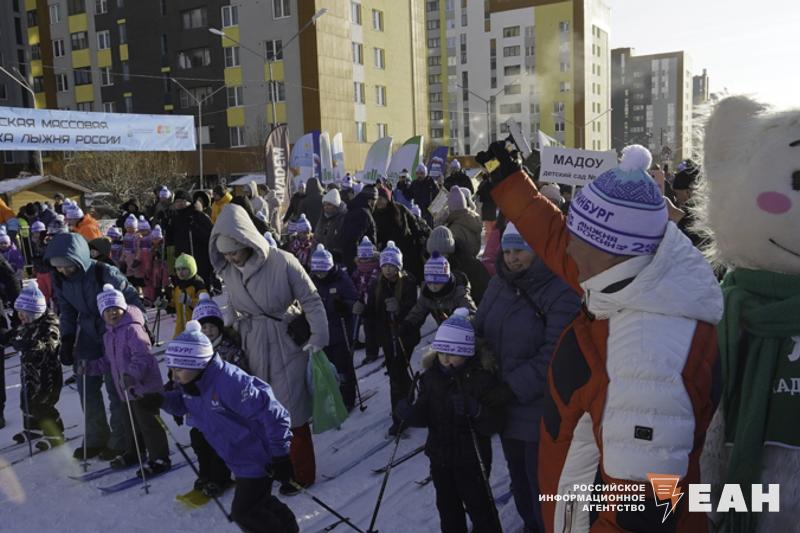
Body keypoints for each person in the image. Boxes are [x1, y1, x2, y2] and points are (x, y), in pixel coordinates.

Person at [484, 142, 722, 532]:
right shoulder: (629, 280)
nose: (567, 245)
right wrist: (509, 182)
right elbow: (558, 239)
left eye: (579, 236)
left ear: (612, 251)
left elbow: (645, 512)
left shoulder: (647, 361)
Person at [209, 204, 328, 494]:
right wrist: (229, 328)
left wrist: (318, 336)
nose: (231, 259)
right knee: (260, 409)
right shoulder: (230, 271)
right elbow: (234, 306)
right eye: (225, 255)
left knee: (292, 412)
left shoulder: (283, 261)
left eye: (235, 252)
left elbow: (310, 299)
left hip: (286, 340)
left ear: (247, 243)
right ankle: (276, 463)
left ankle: (302, 472)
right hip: (252, 343)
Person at [474, 222, 581, 533]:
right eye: (507, 251)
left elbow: (556, 354)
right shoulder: (499, 284)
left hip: (540, 411)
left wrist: (512, 387)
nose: (511, 259)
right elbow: (480, 325)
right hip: (503, 406)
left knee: (542, 485)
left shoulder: (561, 290)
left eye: (519, 250)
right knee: (518, 477)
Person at [147, 321, 298, 533]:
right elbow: (184, 405)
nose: (173, 376)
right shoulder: (193, 385)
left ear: (198, 363)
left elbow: (274, 413)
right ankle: (287, 526)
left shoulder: (230, 383)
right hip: (237, 457)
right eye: (171, 369)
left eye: (178, 369)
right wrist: (161, 401)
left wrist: (280, 454)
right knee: (259, 502)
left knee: (243, 511)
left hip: (258, 457)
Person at [395, 308, 506, 533]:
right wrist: (411, 413)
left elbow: (495, 423)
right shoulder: (430, 377)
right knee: (448, 510)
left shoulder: (481, 379)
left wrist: (475, 410)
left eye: (453, 354)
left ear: (467, 352)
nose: (445, 359)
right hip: (440, 458)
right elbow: (427, 414)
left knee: (480, 509)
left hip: (472, 461)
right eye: (442, 352)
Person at [44, 232, 143, 460]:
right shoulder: (60, 279)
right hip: (88, 333)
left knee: (114, 386)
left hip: (114, 331)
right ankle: (96, 435)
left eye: (68, 266)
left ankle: (121, 438)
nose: (63, 271)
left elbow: (132, 300)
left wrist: (133, 331)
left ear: (79, 259)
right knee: (86, 385)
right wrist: (67, 338)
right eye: (59, 267)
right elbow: (67, 310)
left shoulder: (104, 272)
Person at [96, 284, 169, 474]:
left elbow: (143, 356)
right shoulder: (108, 336)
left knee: (149, 424)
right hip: (126, 390)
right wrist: (89, 367)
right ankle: (136, 451)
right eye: (108, 310)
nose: (112, 313)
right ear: (102, 314)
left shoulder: (133, 330)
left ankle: (159, 457)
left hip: (144, 388)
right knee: (130, 424)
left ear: (124, 308)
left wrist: (131, 375)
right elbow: (108, 361)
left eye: (116, 309)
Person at [362, 241, 419, 436]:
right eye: (385, 266)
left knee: (396, 376)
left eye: (392, 266)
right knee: (398, 374)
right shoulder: (377, 284)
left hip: (405, 336)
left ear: (398, 266)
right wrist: (362, 310)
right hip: (387, 337)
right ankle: (408, 398)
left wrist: (400, 308)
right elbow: (374, 312)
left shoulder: (408, 282)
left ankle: (400, 418)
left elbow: (414, 309)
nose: (388, 270)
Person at [7, 280, 64, 448]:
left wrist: (32, 345)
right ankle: (33, 429)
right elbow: (15, 335)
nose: (21, 317)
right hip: (30, 373)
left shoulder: (49, 325)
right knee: (26, 401)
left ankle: (55, 433)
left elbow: (50, 344)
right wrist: (8, 337)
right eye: (19, 313)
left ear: (35, 311)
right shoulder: (28, 325)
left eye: (24, 313)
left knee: (43, 404)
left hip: (48, 375)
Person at [309, 244, 359, 411]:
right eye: (317, 272)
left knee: (343, 368)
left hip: (340, 331)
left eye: (323, 271)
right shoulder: (312, 280)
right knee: (327, 370)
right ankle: (332, 398)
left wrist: (344, 305)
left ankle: (348, 399)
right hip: (322, 333)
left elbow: (354, 301)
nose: (320, 275)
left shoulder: (341, 278)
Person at [402, 252, 476, 337]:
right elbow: (418, 310)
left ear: (445, 280)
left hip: (463, 333)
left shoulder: (459, 293)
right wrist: (408, 323)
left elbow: (472, 314)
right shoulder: (427, 293)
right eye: (430, 283)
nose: (433, 286)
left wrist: (460, 323)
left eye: (437, 282)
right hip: (445, 333)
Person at [372, 184, 428, 284]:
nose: (378, 202)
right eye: (377, 199)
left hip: (407, 249)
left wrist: (419, 237)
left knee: (410, 278)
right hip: (389, 254)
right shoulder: (375, 214)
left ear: (387, 199)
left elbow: (413, 222)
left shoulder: (399, 208)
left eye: (381, 199)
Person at [428, 226, 489, 305]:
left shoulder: (469, 267)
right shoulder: (433, 269)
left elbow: (482, 298)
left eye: (442, 254)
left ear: (449, 252)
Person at [168, 190, 214, 290]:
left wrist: (195, 227)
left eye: (183, 201)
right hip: (182, 260)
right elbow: (170, 239)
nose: (179, 203)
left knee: (199, 289)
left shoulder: (198, 215)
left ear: (189, 201)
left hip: (198, 259)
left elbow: (209, 236)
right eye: (177, 201)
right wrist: (166, 226)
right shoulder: (174, 218)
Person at [338, 185, 378, 272]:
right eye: (375, 201)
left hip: (351, 259)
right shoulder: (364, 214)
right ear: (371, 200)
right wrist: (356, 260)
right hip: (360, 262)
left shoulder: (354, 209)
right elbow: (352, 239)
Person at [167, 253, 207, 338]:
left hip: (197, 328)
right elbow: (175, 306)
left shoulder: (197, 285)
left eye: (184, 269)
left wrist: (190, 302)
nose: (180, 272)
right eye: (178, 269)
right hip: (180, 329)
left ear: (191, 269)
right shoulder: (178, 287)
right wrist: (166, 304)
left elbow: (205, 305)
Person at [314, 188, 346, 261]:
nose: (326, 207)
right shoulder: (323, 217)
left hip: (338, 258)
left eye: (329, 204)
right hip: (322, 256)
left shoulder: (343, 218)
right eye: (324, 205)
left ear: (335, 204)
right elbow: (317, 235)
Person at [406, 163, 442, 227]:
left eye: (421, 173)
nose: (419, 175)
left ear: (425, 173)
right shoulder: (414, 183)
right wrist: (403, 187)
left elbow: (438, 197)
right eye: (417, 173)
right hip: (418, 211)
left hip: (429, 213)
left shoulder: (431, 183)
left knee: (428, 228)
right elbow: (409, 195)